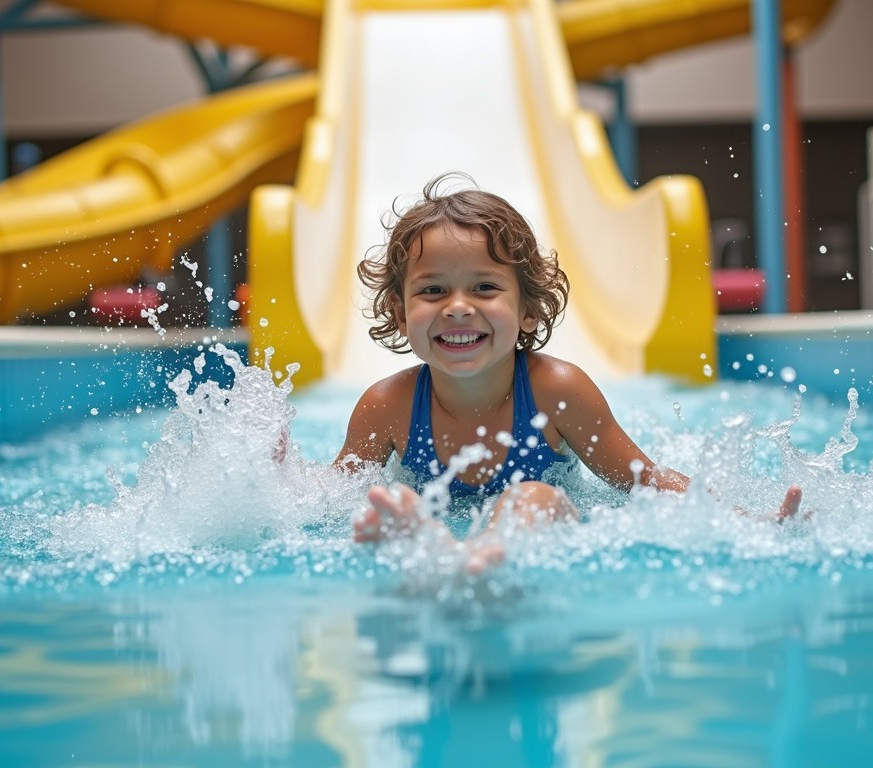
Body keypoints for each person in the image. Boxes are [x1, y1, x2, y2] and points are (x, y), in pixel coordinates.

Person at [333, 173, 801, 573]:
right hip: (450, 527)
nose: (458, 308)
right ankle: (450, 557)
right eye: (433, 290)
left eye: (485, 288)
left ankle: (474, 559)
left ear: (528, 311)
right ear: (398, 312)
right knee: (395, 507)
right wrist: (273, 474)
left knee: (531, 495)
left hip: (544, 527)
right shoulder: (387, 406)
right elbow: (331, 496)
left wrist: (746, 520)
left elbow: (644, 480)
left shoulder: (557, 391)